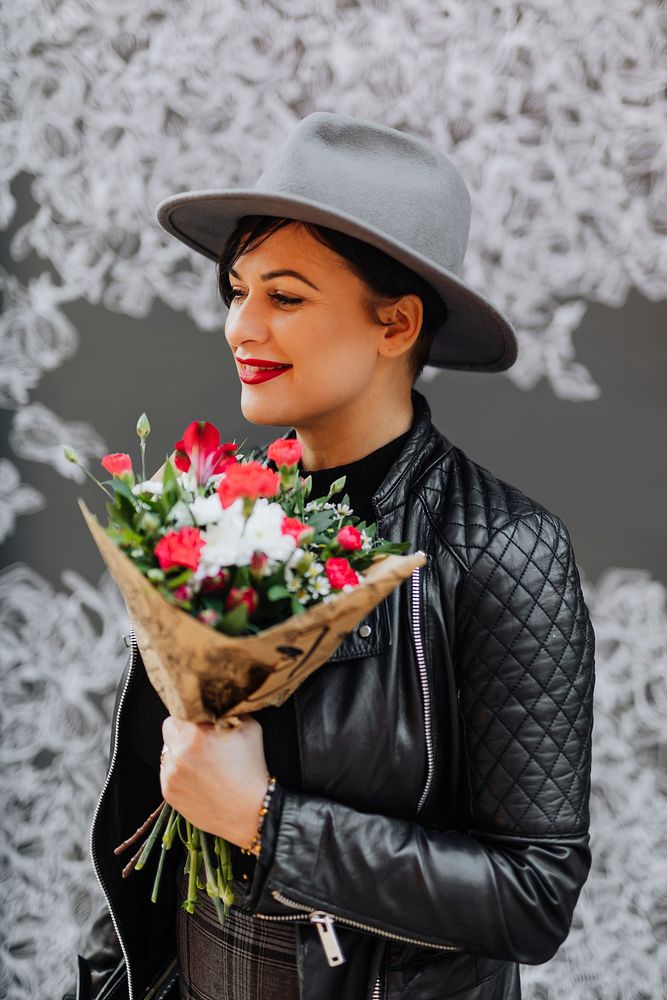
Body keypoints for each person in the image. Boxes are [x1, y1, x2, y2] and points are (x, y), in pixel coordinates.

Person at [64, 112, 595, 1000]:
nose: (240, 326)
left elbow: (533, 895)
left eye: (285, 296)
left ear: (394, 325)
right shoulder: (216, 510)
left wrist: (268, 822)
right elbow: (148, 820)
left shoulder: (502, 547)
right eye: (235, 290)